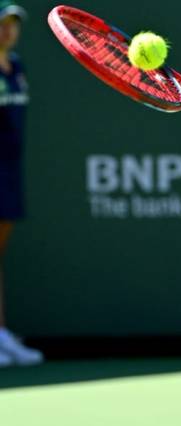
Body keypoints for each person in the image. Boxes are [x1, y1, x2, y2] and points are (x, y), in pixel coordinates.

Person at [0, 0, 43, 368]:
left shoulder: (18, 69)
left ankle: (1, 333)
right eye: (2, 23)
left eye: (13, 23)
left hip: (9, 171)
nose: (8, 29)